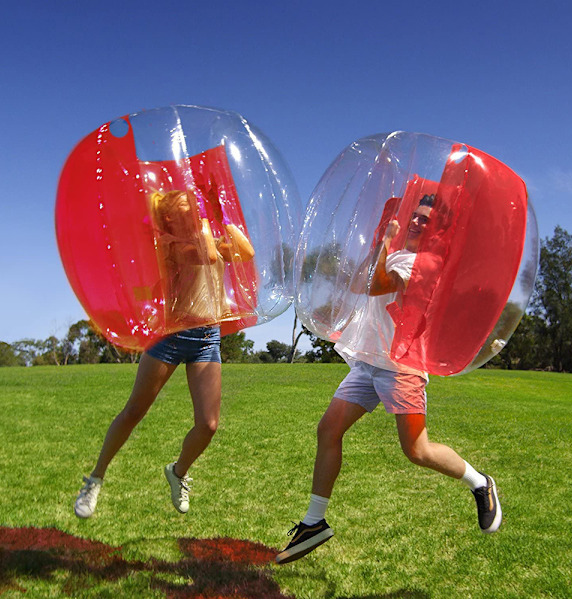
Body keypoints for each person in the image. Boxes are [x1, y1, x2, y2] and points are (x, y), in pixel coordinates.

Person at [275, 193, 502, 565]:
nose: (416, 222)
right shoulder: (397, 253)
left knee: (417, 451)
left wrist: (383, 240)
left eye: (425, 220)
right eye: (415, 214)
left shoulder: (428, 263)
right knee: (328, 430)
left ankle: (480, 482)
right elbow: (358, 281)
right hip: (368, 361)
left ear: (437, 230)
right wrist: (383, 241)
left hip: (402, 367)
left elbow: (375, 285)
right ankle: (314, 523)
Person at [74, 189, 254, 519]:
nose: (195, 203)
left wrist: (221, 217)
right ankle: (95, 478)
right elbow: (209, 257)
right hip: (171, 337)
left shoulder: (206, 234)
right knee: (133, 412)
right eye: (188, 203)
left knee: (209, 425)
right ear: (170, 215)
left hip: (206, 337)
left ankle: (178, 472)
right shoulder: (167, 243)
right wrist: (206, 218)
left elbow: (245, 251)